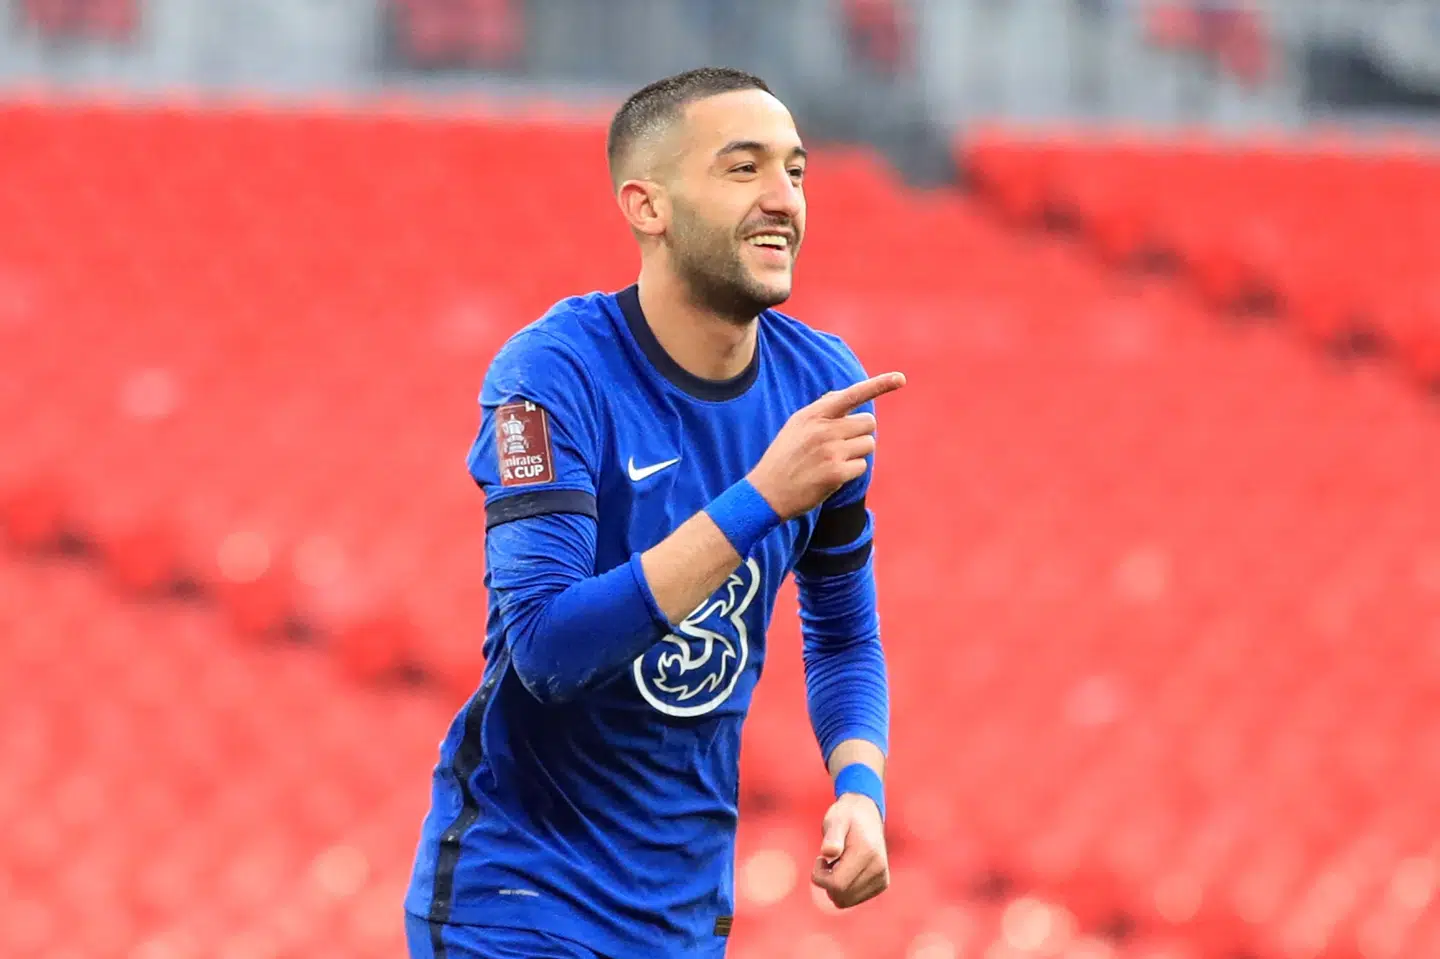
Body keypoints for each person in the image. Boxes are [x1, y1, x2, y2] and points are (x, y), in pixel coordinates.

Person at [404, 67, 905, 959]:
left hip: (681, 913)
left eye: (795, 171)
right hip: (521, 895)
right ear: (648, 206)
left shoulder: (823, 385)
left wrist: (859, 785)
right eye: (743, 169)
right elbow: (549, 650)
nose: (782, 199)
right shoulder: (550, 378)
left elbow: (842, 635)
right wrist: (759, 499)